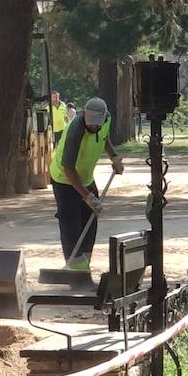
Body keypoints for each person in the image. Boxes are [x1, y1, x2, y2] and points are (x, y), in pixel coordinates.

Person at [49, 96, 124, 270]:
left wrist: (114, 156)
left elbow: (104, 138)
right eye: (90, 123)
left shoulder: (106, 120)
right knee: (71, 222)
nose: (94, 127)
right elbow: (68, 169)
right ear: (84, 115)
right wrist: (88, 196)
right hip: (64, 180)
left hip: (86, 177)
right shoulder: (76, 130)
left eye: (97, 123)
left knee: (90, 219)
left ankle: (84, 264)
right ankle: (75, 269)